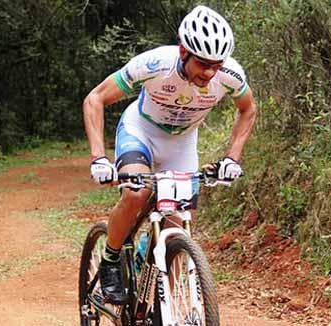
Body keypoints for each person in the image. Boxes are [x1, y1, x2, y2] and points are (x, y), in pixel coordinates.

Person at [83, 5, 257, 304]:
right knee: (137, 194)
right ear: (183, 52)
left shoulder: (229, 75)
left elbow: (248, 109)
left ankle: (168, 304)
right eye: (203, 63)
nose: (210, 72)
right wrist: (99, 158)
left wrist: (232, 158)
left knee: (177, 222)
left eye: (217, 63)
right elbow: (95, 98)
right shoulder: (155, 64)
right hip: (141, 131)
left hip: (182, 143)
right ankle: (111, 259)